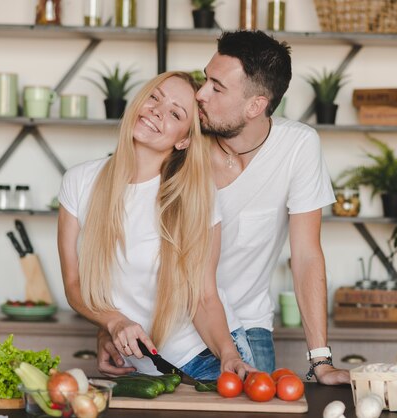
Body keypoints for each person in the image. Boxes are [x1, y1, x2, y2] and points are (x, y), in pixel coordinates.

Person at [99, 31, 350, 385]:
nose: (200, 94)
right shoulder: (180, 137)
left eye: (217, 88)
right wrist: (108, 325)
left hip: (247, 323)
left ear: (255, 106)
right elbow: (120, 233)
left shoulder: (298, 148)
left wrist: (320, 360)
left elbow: (307, 255)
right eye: (205, 79)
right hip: (166, 329)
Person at [57, 71, 253, 380]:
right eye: (154, 98)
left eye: (175, 113)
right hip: (141, 365)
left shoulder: (195, 196)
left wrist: (228, 354)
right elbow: (73, 284)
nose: (156, 112)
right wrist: (111, 323)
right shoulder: (80, 182)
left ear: (185, 139)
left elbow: (203, 296)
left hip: (207, 355)